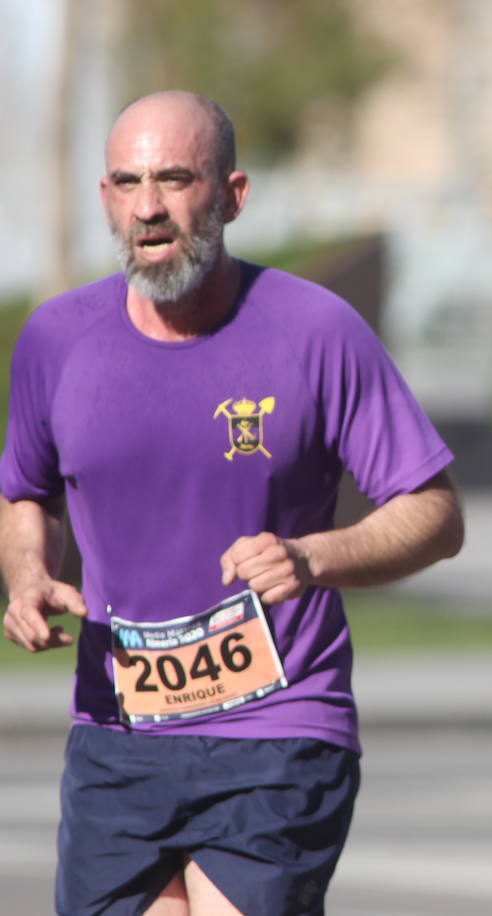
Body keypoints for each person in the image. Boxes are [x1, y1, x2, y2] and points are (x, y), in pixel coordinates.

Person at [0, 91, 463, 915]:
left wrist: (312, 556)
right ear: (105, 198)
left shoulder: (316, 330)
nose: (148, 205)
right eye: (128, 182)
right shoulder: (56, 340)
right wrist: (28, 575)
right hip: (118, 731)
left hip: (279, 725)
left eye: (175, 179)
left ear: (232, 196)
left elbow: (434, 513)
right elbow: (24, 492)